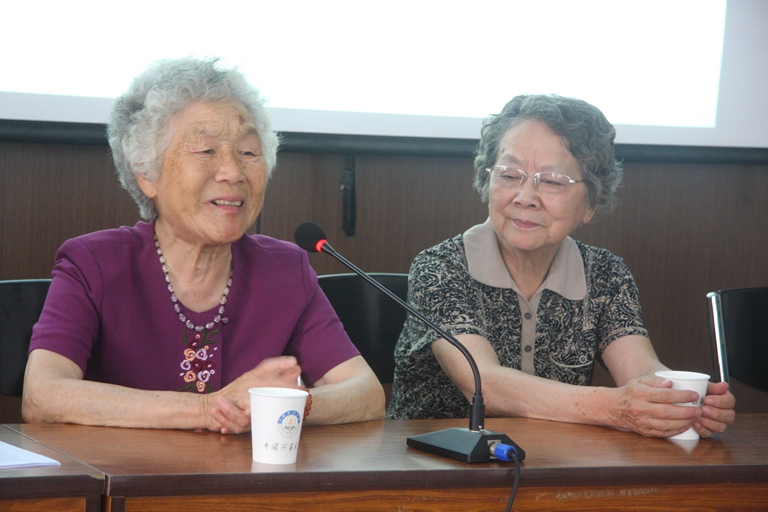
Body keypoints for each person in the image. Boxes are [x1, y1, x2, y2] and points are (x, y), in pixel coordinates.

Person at [22, 57, 384, 432]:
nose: (233, 172)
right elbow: (43, 394)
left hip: (244, 471)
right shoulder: (93, 263)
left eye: (248, 152)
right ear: (147, 173)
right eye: (206, 151)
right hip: (121, 470)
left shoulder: (284, 270)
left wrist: (285, 405)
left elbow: (366, 394)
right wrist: (211, 409)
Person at [386, 94, 735, 438]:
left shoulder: (605, 273)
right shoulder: (440, 267)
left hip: (552, 460)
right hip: (433, 462)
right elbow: (485, 384)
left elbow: (641, 370)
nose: (525, 197)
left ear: (590, 204)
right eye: (509, 174)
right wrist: (614, 408)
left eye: (552, 181)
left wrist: (682, 402)